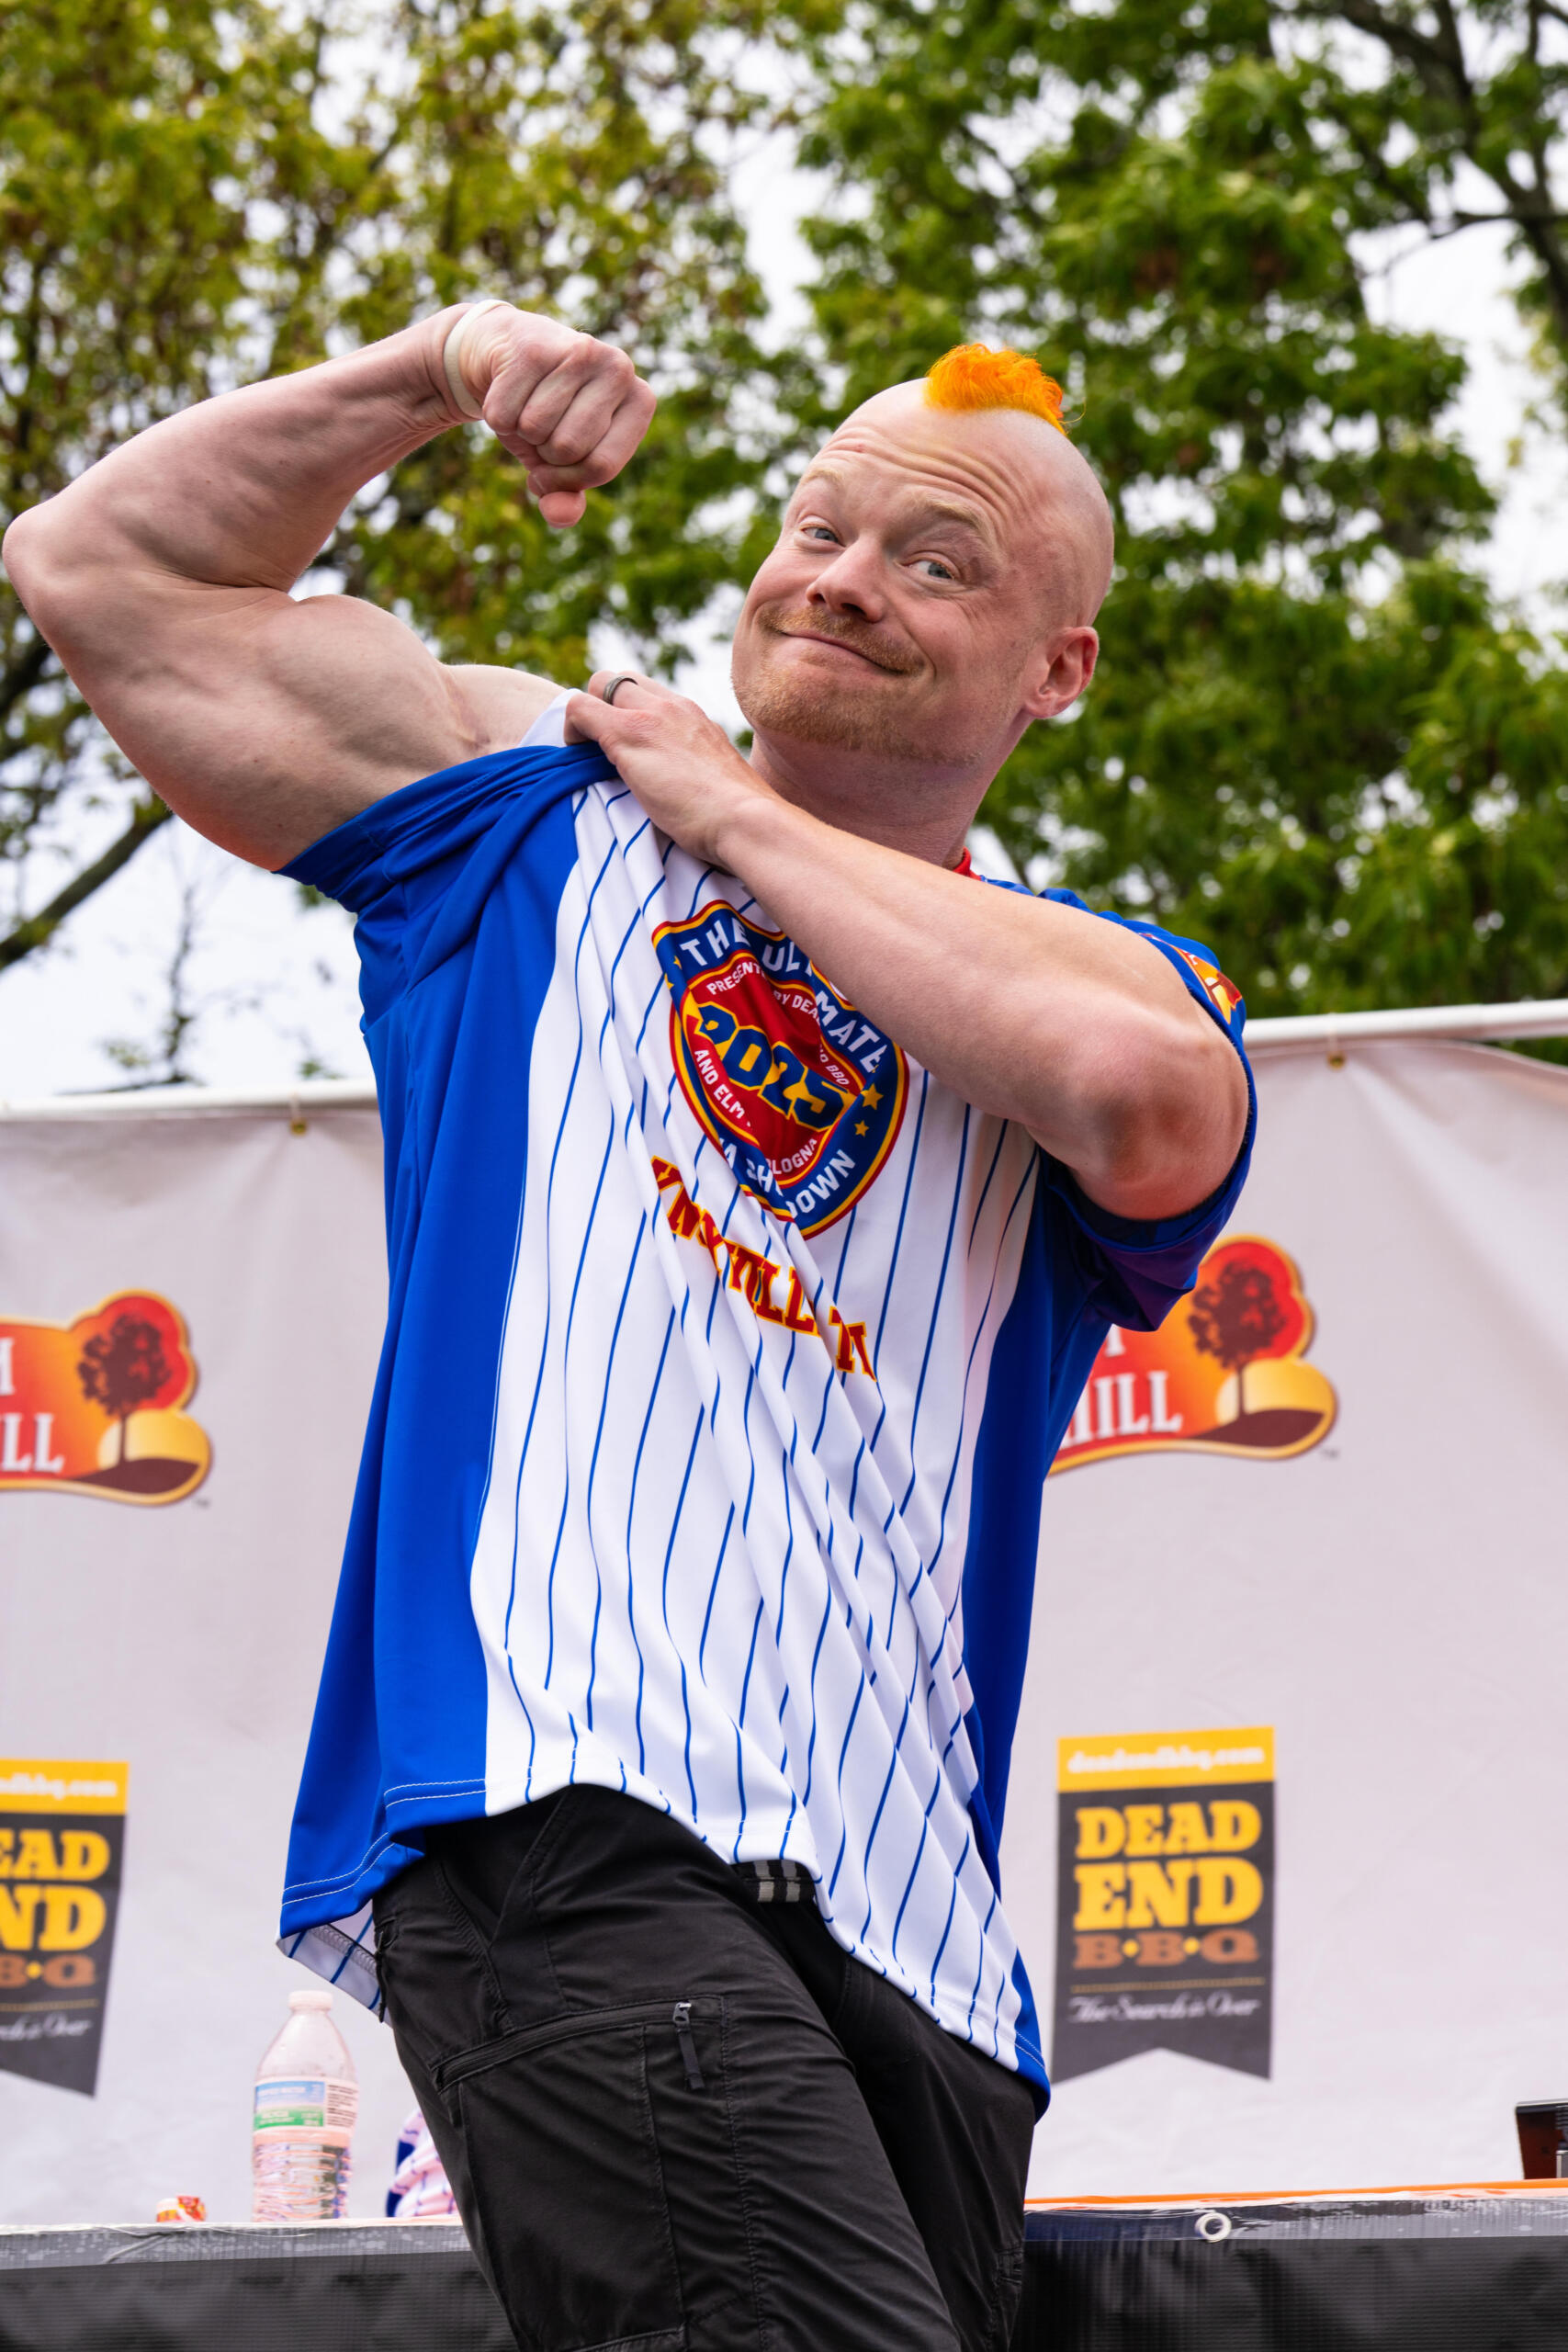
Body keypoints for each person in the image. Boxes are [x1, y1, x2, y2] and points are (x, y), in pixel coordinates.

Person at [4, 304, 1253, 2351]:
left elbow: (1140, 1096)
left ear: (1059, 667)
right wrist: (428, 366)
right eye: (818, 523)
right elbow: (97, 571)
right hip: (560, 1818)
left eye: (934, 562)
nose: (840, 576)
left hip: (917, 1949)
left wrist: (733, 812)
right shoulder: (524, 809)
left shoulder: (1091, 964)